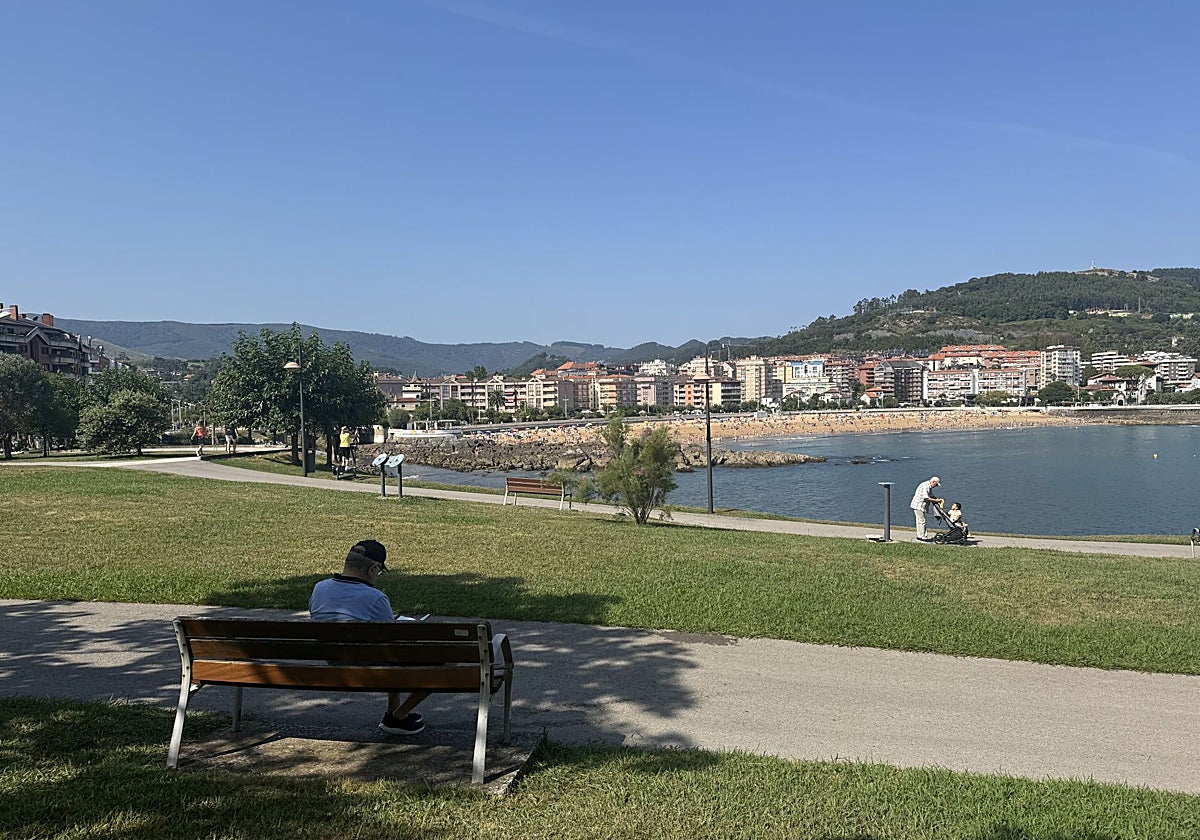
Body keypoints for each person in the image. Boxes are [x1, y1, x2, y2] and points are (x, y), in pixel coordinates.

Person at [308, 539, 427, 735]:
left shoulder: (319, 588)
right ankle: (399, 715)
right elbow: (391, 641)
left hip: (332, 663)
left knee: (391, 653)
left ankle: (392, 712)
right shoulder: (375, 598)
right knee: (446, 661)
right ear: (372, 570)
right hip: (367, 668)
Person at [910, 476, 943, 541]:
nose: (935, 486)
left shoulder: (929, 486)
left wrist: (937, 499)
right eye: (936, 484)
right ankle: (921, 537)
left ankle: (922, 536)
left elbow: (931, 495)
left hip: (922, 506)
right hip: (918, 505)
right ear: (933, 482)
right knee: (921, 521)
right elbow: (926, 497)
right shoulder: (925, 486)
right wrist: (936, 501)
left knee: (921, 521)